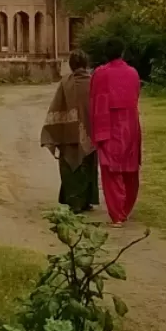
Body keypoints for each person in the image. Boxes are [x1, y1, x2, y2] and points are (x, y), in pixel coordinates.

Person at [90, 38, 142, 225]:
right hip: (129, 125)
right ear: (122, 52)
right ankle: (125, 209)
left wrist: (94, 130)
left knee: (111, 171)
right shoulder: (133, 73)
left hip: (109, 124)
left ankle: (117, 214)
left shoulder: (100, 74)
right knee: (130, 169)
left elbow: (95, 101)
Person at [40, 50, 99, 212]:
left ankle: (75, 202)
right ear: (86, 64)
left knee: (71, 168)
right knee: (88, 166)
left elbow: (57, 107)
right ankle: (87, 201)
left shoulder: (65, 82)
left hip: (68, 133)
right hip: (90, 133)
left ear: (71, 66)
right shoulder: (93, 82)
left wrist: (55, 131)